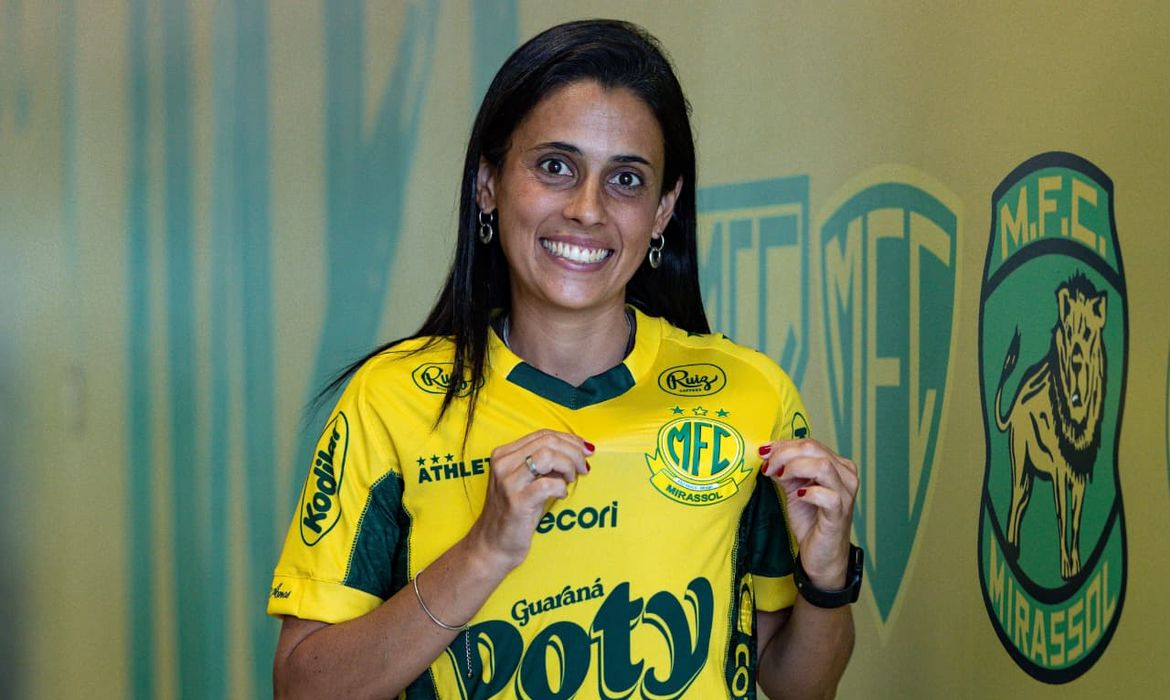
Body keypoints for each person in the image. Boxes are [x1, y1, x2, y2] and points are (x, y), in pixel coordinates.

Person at [269, 18, 860, 699]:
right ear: (488, 183)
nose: (586, 209)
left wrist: (826, 578)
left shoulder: (750, 394)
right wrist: (485, 550)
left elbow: (798, 688)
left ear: (663, 210)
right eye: (555, 166)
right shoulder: (392, 398)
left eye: (626, 179)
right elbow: (302, 689)